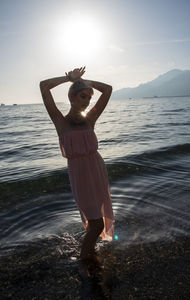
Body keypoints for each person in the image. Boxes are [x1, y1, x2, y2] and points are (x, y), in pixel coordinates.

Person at [40, 67, 114, 263]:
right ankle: (84, 261)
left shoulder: (90, 119)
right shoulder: (60, 122)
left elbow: (107, 90)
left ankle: (89, 251)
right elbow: (44, 86)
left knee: (95, 220)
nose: (88, 101)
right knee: (96, 223)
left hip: (97, 170)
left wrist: (85, 82)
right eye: (83, 96)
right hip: (79, 174)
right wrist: (69, 79)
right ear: (71, 98)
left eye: (89, 98)